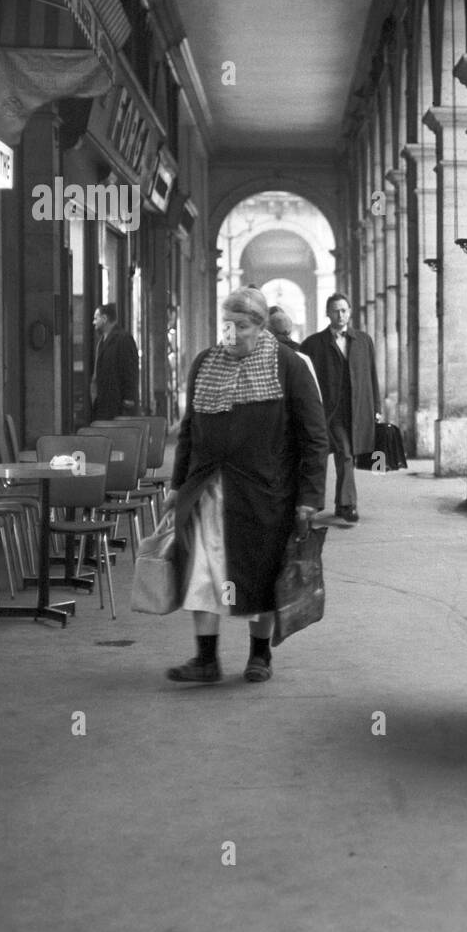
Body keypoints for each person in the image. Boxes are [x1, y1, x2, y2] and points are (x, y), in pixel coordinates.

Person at [164, 286, 329, 684]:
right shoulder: (205, 363)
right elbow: (188, 431)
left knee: (260, 575)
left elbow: (315, 437)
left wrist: (309, 498)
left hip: (265, 494)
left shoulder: (288, 365)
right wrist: (176, 485)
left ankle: (259, 656)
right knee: (202, 571)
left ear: (260, 326)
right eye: (227, 325)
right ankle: (206, 659)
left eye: (241, 325)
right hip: (208, 490)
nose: (232, 334)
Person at [301, 293, 381, 523]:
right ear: (328, 313)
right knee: (344, 454)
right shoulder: (313, 344)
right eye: (335, 310)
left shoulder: (364, 341)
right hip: (329, 412)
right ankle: (348, 505)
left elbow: (372, 376)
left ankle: (340, 503)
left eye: (344, 310)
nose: (341, 315)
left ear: (350, 312)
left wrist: (376, 405)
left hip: (357, 410)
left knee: (349, 457)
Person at [90, 303, 139, 421]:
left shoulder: (123, 339)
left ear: (105, 318)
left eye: (96, 318)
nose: (93, 322)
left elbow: (130, 370)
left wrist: (129, 399)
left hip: (118, 404)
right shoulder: (101, 342)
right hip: (104, 403)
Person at [268, 305, 322, 400]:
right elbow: (314, 393)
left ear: (269, 330)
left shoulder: (264, 355)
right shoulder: (302, 355)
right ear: (290, 330)